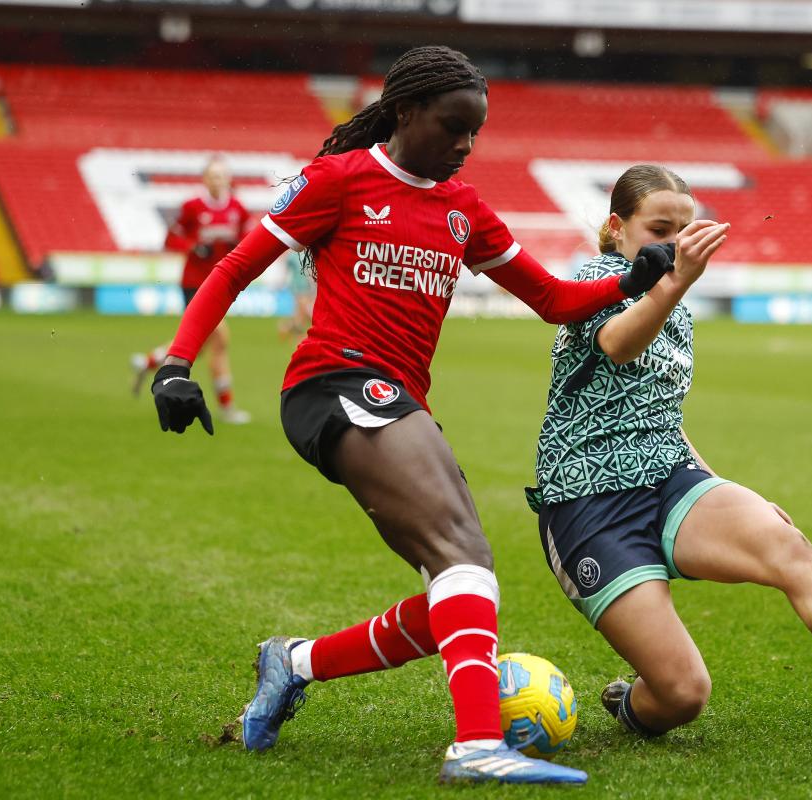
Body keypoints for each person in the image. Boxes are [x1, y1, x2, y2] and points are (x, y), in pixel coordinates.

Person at [148, 46, 676, 786]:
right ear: (404, 112)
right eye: (452, 126)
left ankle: (294, 662)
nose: (464, 145)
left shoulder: (464, 211)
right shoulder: (340, 180)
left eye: (475, 133)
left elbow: (553, 300)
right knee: (463, 553)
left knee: (459, 582)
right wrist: (176, 364)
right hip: (332, 384)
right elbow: (234, 267)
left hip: (397, 401)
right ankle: (476, 746)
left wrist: (630, 280)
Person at [528, 164, 812, 742]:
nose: (675, 243)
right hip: (587, 503)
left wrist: (721, 487)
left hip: (668, 480)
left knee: (784, 542)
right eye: (659, 229)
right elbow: (617, 346)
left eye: (685, 228)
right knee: (683, 694)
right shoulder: (599, 276)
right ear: (617, 229)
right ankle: (631, 705)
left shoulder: (675, 303)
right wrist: (676, 282)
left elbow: (658, 412)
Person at [131, 156, 253, 424]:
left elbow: (248, 240)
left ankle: (150, 361)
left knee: (205, 340)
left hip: (221, 283)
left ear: (228, 179)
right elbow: (171, 237)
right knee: (219, 337)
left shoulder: (237, 209)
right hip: (194, 283)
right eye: (213, 175)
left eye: (222, 175)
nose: (217, 180)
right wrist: (192, 246)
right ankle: (227, 406)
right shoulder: (193, 207)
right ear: (205, 179)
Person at [278, 250, 315, 342]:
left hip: (306, 287)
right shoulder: (293, 255)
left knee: (300, 313)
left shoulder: (307, 253)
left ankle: (285, 327)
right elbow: (286, 268)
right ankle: (299, 335)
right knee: (305, 312)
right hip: (299, 287)